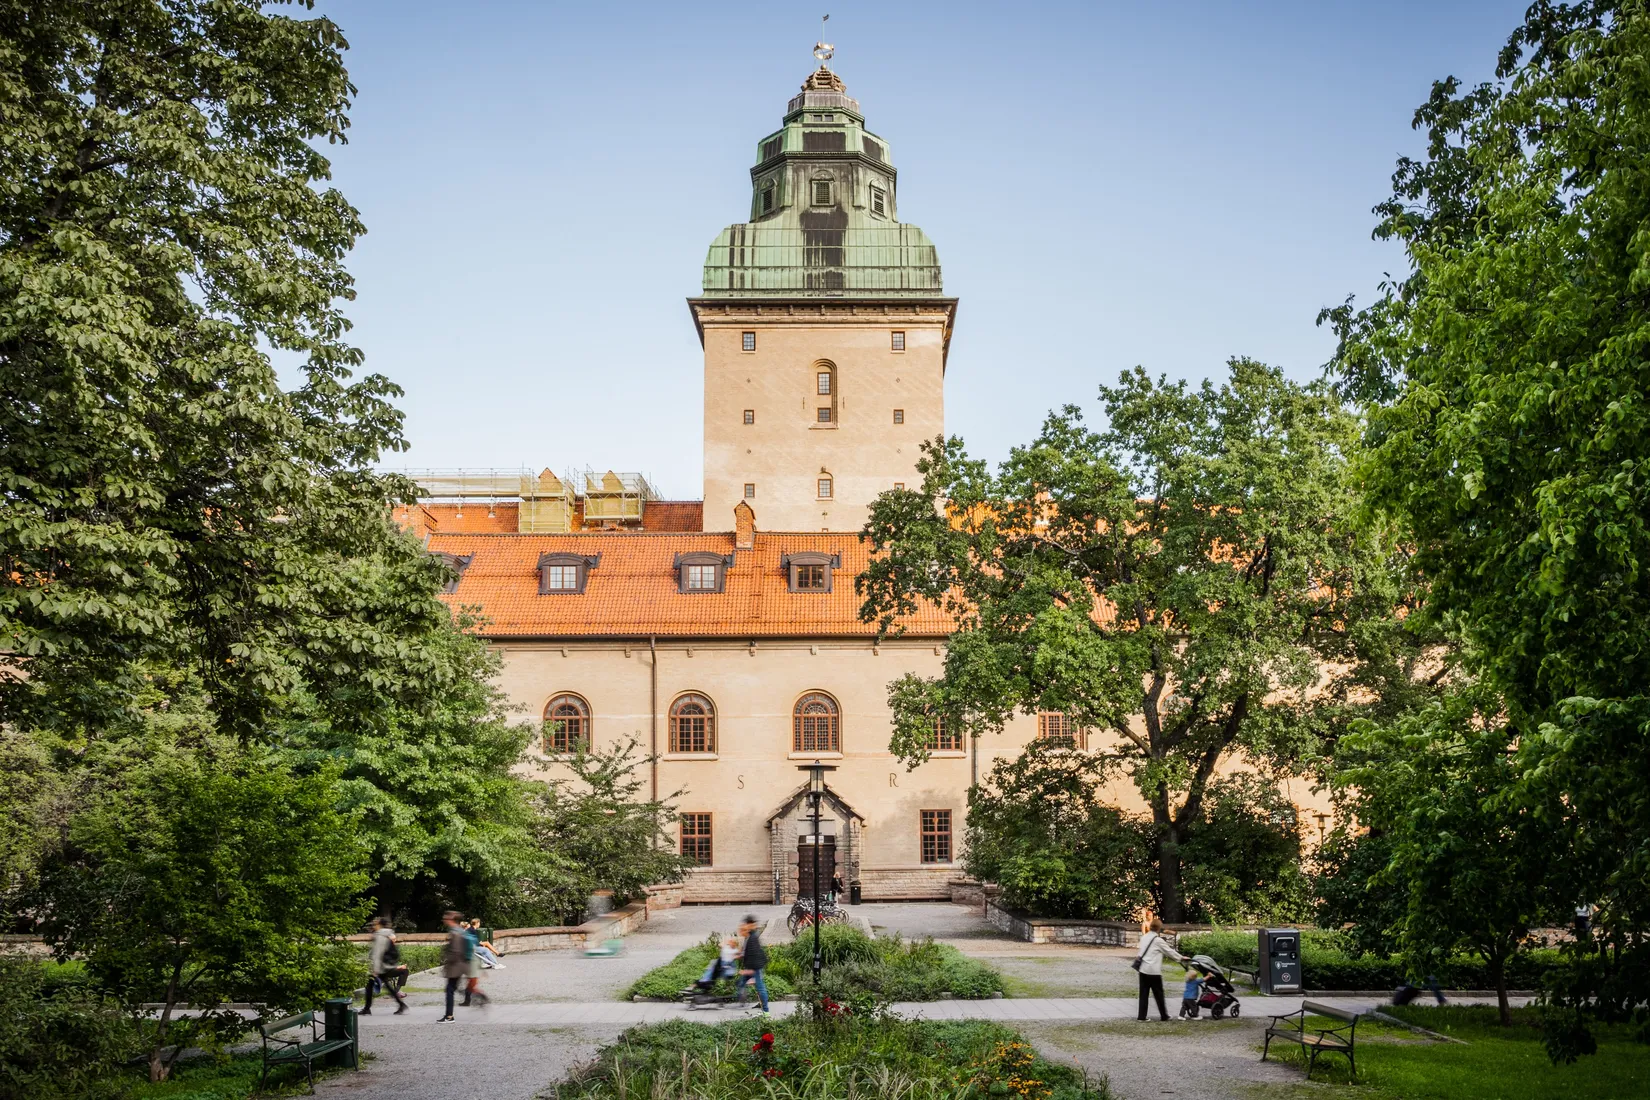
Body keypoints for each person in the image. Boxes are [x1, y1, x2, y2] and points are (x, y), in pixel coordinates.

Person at [1134, 917, 1183, 1021]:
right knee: (1159, 994)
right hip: (1153, 971)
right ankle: (1164, 1015)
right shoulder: (1158, 940)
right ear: (1159, 928)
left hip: (1143, 969)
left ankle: (1141, 1016)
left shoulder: (1144, 937)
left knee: (1143, 994)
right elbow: (1169, 952)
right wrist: (1181, 958)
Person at [362, 917, 408, 1015]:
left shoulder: (381, 936)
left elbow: (378, 954)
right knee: (385, 986)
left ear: (379, 925)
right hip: (385, 965)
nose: (373, 925)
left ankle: (367, 1008)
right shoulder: (384, 934)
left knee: (370, 985)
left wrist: (375, 970)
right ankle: (401, 1005)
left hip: (382, 967)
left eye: (375, 923)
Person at [734, 914, 769, 1013]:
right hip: (751, 967)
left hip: (755, 968)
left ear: (750, 925)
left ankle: (766, 1011)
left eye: (744, 926)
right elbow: (745, 952)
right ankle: (745, 1001)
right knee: (741, 983)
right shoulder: (748, 937)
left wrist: (748, 971)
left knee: (760, 988)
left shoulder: (753, 938)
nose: (740, 930)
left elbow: (755, 956)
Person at [438, 911, 468, 1022]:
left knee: (450, 989)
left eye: (446, 918)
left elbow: (455, 951)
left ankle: (449, 1016)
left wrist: (446, 960)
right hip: (460, 965)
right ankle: (449, 1015)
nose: (444, 919)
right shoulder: (460, 931)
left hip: (455, 966)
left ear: (451, 920)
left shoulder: (455, 933)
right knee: (452, 988)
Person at [462, 918, 490, 1007]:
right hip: (472, 967)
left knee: (470, 986)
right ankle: (468, 1001)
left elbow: (470, 957)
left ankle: (482, 998)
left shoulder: (467, 940)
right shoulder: (469, 939)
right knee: (470, 986)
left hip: (472, 968)